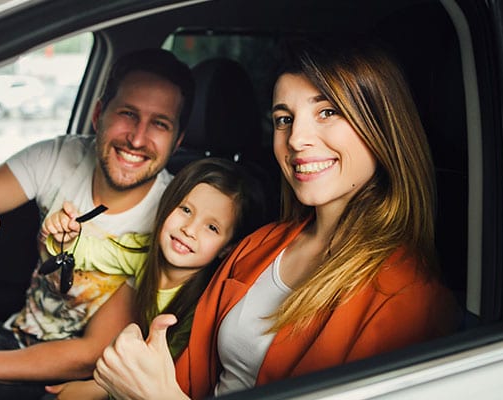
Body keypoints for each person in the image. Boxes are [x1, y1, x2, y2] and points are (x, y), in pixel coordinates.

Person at [91, 40, 460, 399]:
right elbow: (191, 376)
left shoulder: (409, 299)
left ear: (381, 125)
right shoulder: (260, 245)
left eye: (328, 112)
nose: (296, 139)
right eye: (284, 119)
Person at [0, 48, 194, 399]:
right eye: (128, 113)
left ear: (178, 140)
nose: (137, 139)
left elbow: (92, 354)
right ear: (98, 115)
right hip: (16, 336)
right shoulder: (59, 157)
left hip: (70, 384)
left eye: (160, 124)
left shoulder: (175, 216)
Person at [43, 157, 267, 400]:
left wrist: (97, 390)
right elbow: (87, 251)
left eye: (211, 227)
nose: (189, 230)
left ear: (227, 247)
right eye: (186, 210)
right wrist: (63, 236)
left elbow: (163, 380)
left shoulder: (206, 305)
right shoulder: (141, 251)